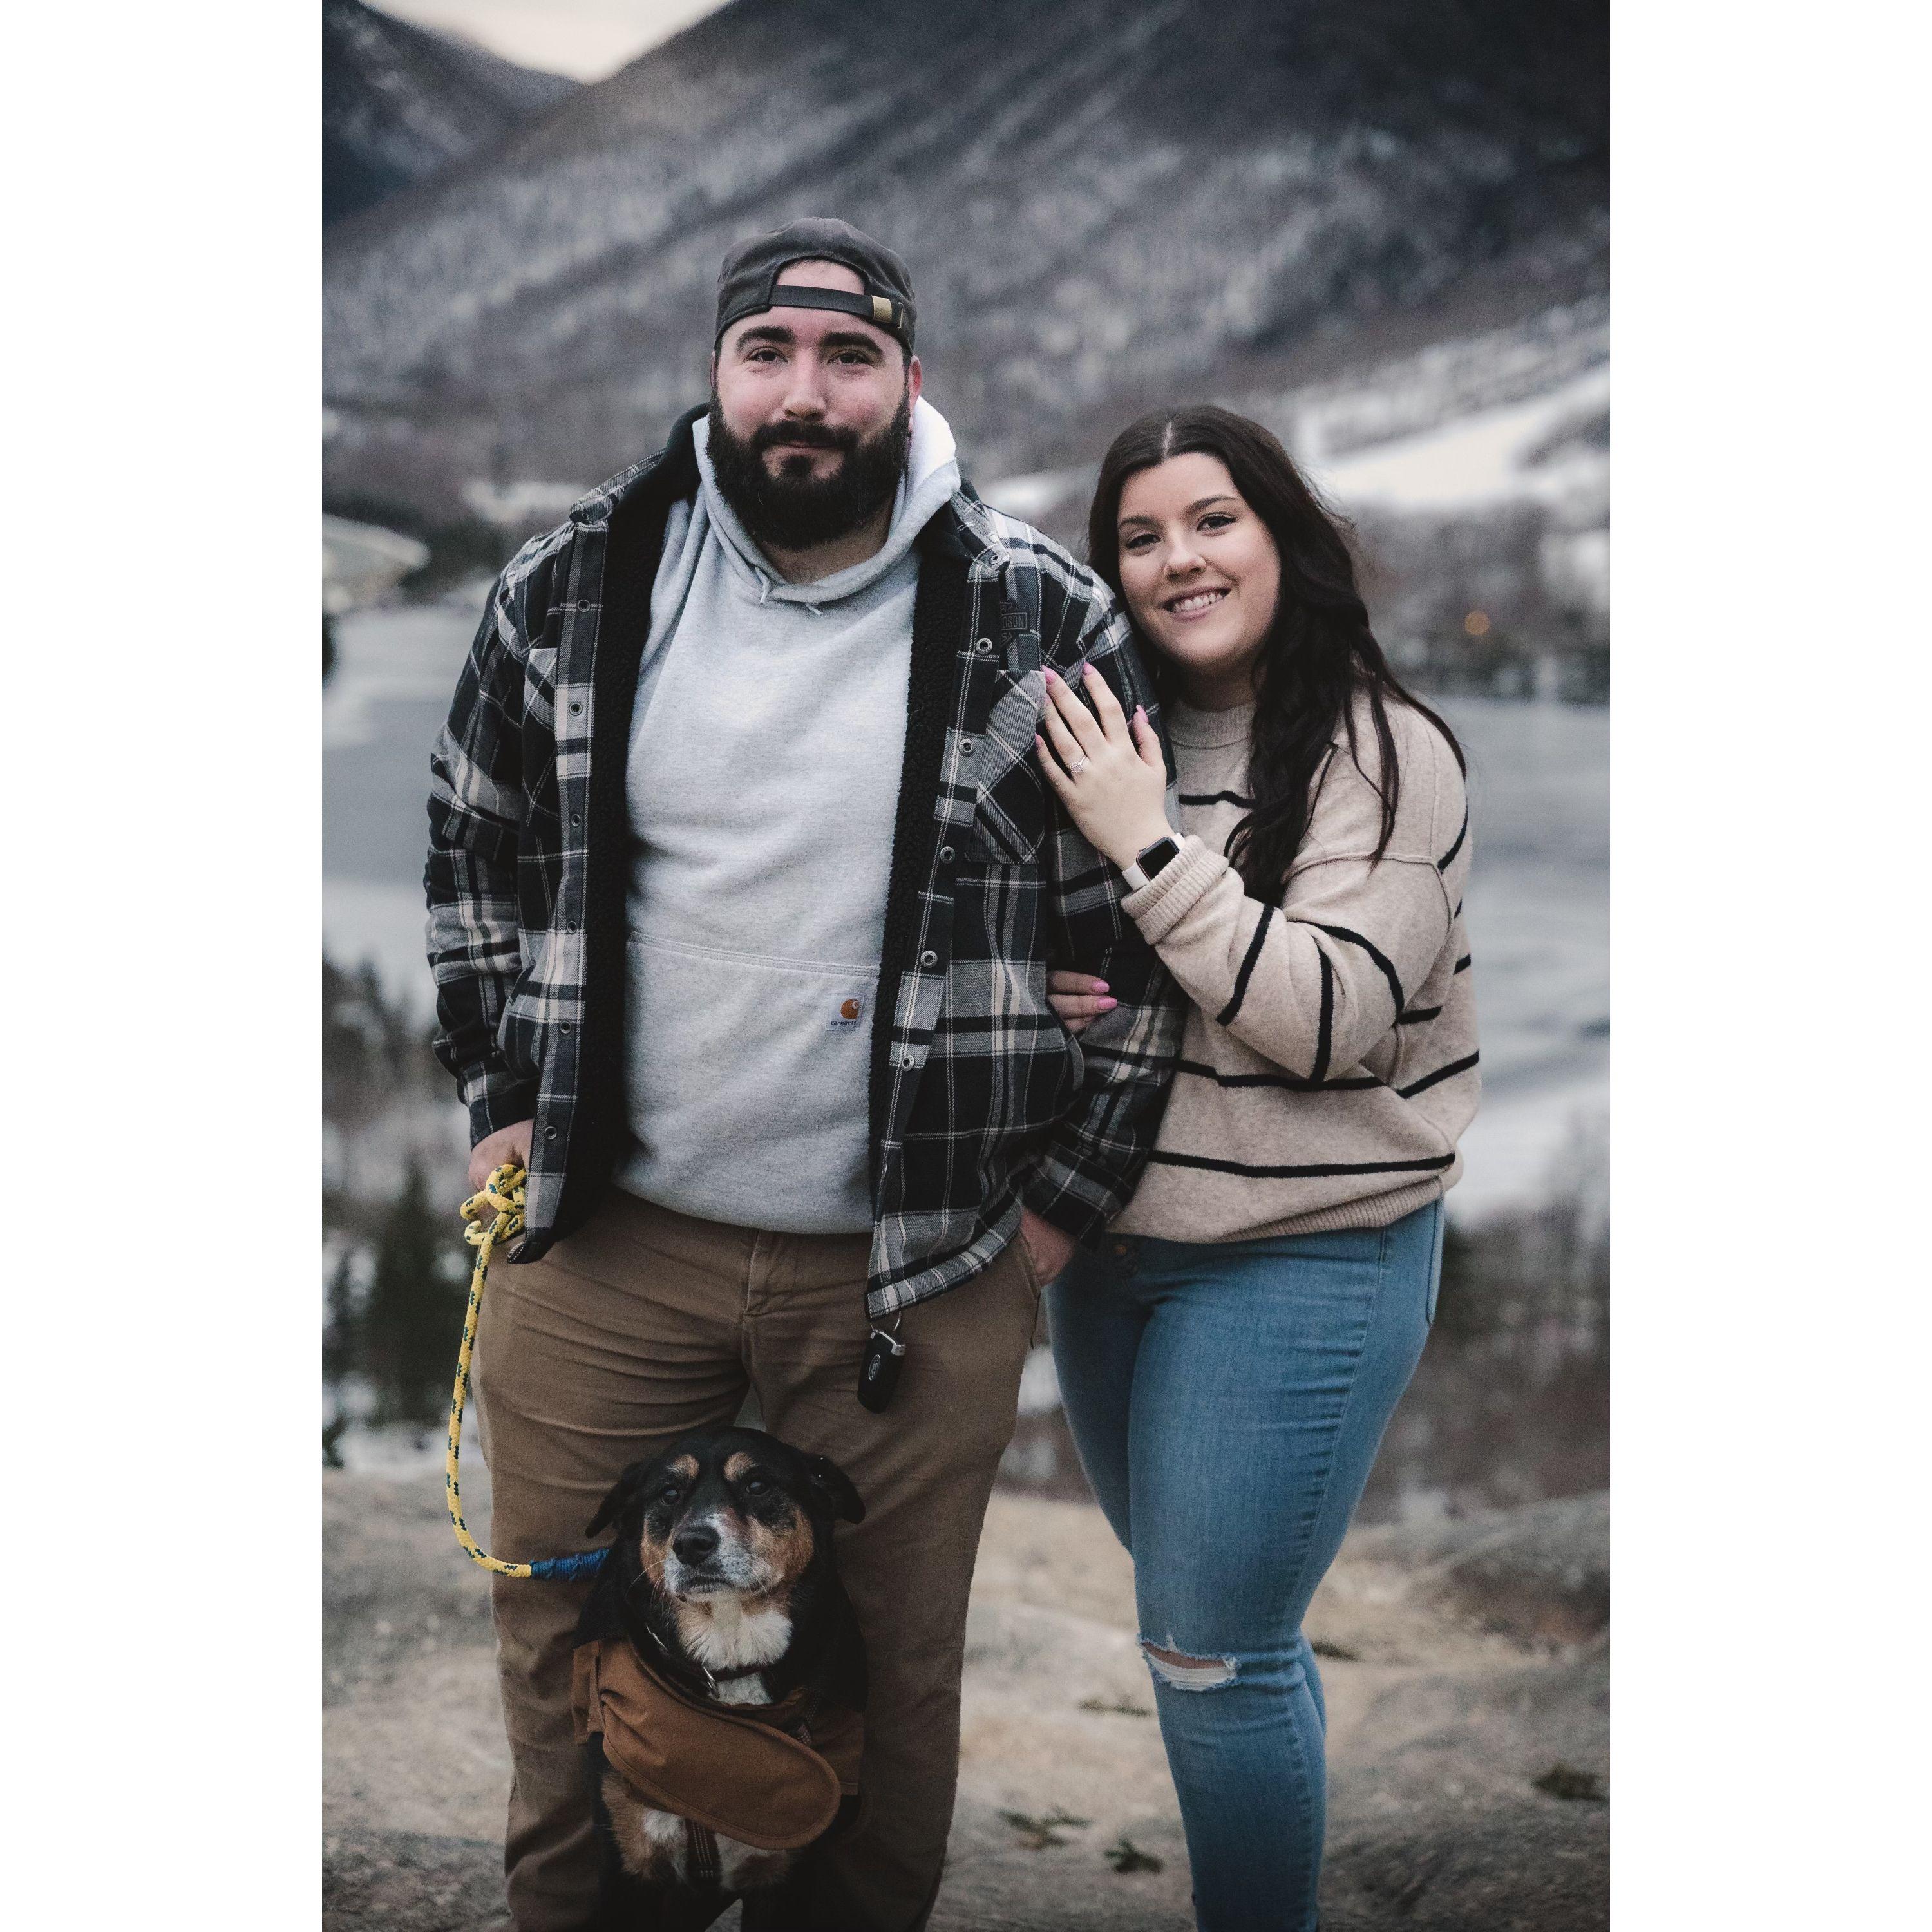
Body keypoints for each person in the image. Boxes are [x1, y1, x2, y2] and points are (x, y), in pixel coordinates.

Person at [424, 218, 1185, 1932]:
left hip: (911, 1262)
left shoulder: (1037, 611)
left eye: (850, 358)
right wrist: (501, 1095)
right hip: (610, 1235)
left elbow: (1143, 929)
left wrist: (1053, 1218)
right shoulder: (577, 584)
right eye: (768, 353)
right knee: (559, 1633)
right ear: (717, 370)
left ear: (909, 379)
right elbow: (473, 841)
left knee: (897, 1658)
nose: (806, 394)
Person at [1032, 405, 1479, 1932]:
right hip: (1109, 1251)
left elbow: (1332, 1020)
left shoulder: (1387, 752)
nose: (1180, 559)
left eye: (1213, 520)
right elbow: (1044, 957)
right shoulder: (1098, 735)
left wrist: (1146, 850)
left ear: (1285, 533)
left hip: (1306, 1254)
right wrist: (1043, 990)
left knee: (1213, 1652)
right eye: (1141, 537)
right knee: (1208, 1626)